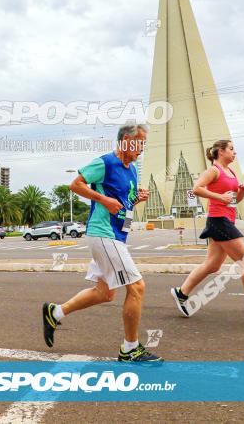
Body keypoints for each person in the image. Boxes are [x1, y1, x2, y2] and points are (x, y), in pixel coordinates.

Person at [42, 123, 161, 362]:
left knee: (104, 293)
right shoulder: (105, 162)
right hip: (103, 233)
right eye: (140, 143)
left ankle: (55, 312)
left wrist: (136, 199)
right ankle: (130, 348)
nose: (142, 149)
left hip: (117, 235)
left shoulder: (133, 169)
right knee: (137, 287)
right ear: (126, 140)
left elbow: (123, 203)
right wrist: (103, 199)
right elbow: (75, 185)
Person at [170, 139, 244, 324]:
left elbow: (233, 201)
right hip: (219, 221)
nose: (235, 153)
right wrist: (219, 196)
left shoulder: (231, 172)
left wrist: (241, 193)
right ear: (220, 151)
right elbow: (196, 189)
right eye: (231, 149)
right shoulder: (214, 170)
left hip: (226, 220)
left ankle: (181, 292)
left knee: (212, 265)